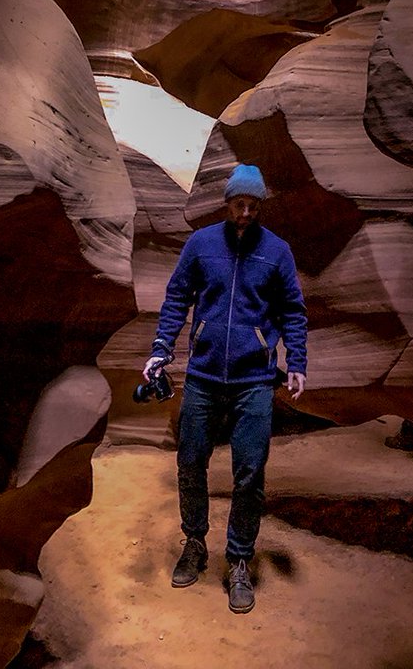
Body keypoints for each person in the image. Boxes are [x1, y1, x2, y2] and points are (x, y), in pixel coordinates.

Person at [142, 163, 307, 614]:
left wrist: (297, 361)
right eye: (239, 205)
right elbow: (178, 297)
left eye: (254, 207)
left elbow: (293, 310)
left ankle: (238, 560)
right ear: (228, 202)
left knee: (249, 473)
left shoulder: (277, 252)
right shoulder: (201, 245)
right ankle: (195, 542)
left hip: (254, 380)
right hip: (203, 376)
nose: (246, 214)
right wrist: (161, 348)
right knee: (191, 461)